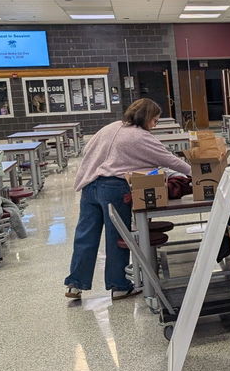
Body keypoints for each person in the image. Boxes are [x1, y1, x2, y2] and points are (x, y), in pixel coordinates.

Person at [64, 98, 191, 301]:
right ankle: (119, 285)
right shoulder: (141, 136)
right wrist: (200, 173)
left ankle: (75, 283)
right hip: (113, 187)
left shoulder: (110, 127)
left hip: (89, 186)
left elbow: (87, 152)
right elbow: (170, 160)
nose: (155, 126)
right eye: (155, 121)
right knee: (117, 237)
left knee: (85, 235)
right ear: (147, 117)